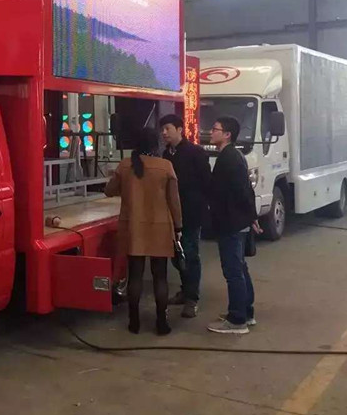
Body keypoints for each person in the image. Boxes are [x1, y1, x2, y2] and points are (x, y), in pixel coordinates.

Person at [105, 127, 182, 336]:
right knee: (160, 277)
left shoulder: (125, 165)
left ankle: (134, 322)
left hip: (134, 227)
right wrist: (178, 227)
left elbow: (109, 191)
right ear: (155, 144)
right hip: (160, 227)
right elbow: (174, 202)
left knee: (135, 275)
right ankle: (161, 322)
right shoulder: (165, 166)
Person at [206, 116, 262, 335]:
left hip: (231, 222)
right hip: (237, 220)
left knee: (233, 272)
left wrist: (249, 216)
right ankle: (246, 313)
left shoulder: (229, 158)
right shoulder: (233, 155)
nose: (211, 132)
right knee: (239, 268)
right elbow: (246, 189)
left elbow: (240, 191)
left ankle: (237, 320)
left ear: (227, 134)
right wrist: (251, 216)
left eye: (215, 129)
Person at [160, 114, 211, 319]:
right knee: (176, 256)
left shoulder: (195, 152)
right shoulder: (166, 154)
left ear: (180, 130)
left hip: (191, 213)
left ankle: (192, 299)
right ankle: (184, 290)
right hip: (172, 214)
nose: (164, 133)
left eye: (168, 128)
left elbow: (206, 182)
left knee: (190, 255)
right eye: (162, 129)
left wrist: (203, 206)